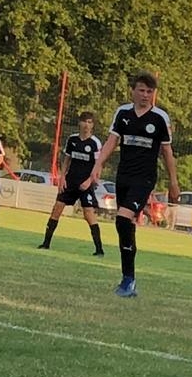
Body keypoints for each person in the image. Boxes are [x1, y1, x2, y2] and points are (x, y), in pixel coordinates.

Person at [81, 72, 180, 298]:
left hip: (144, 178)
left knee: (123, 219)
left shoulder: (160, 118)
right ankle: (128, 279)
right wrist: (97, 165)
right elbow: (111, 141)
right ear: (133, 91)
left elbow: (167, 152)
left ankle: (128, 280)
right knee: (125, 226)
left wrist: (174, 182)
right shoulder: (123, 113)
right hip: (123, 176)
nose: (145, 95)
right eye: (141, 90)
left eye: (149, 91)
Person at [39, 112, 106, 255]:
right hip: (70, 181)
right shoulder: (72, 139)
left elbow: (99, 165)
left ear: (92, 125)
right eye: (84, 122)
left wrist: (89, 181)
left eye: (89, 122)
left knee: (88, 214)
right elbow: (67, 159)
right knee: (57, 208)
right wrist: (62, 177)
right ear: (79, 123)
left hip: (85, 183)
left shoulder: (95, 143)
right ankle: (46, 243)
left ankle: (99, 249)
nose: (86, 125)